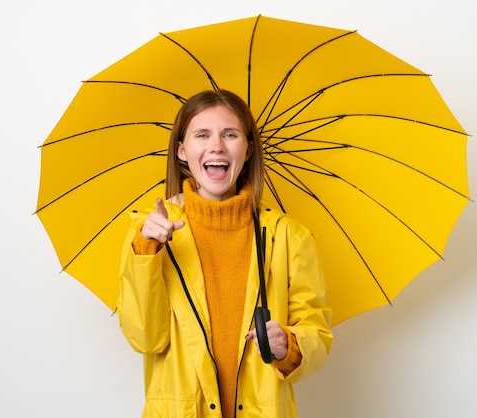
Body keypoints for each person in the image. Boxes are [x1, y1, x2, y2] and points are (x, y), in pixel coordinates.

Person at [117, 89, 333, 417]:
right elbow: (146, 339)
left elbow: (316, 331)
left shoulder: (290, 236)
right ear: (181, 150)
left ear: (247, 150)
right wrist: (147, 252)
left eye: (229, 134)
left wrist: (289, 346)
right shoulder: (148, 233)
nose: (216, 145)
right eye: (202, 134)